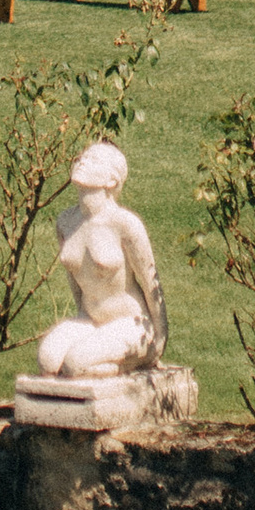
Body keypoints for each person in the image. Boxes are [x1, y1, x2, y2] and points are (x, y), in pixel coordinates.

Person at [35, 140, 167, 376]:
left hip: (132, 323)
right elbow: (75, 279)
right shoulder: (66, 222)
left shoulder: (125, 224)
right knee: (47, 361)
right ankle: (94, 357)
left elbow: (151, 283)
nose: (82, 161)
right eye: (82, 157)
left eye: (94, 159)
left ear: (112, 181)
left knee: (74, 365)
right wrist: (81, 320)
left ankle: (123, 365)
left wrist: (159, 339)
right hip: (90, 320)